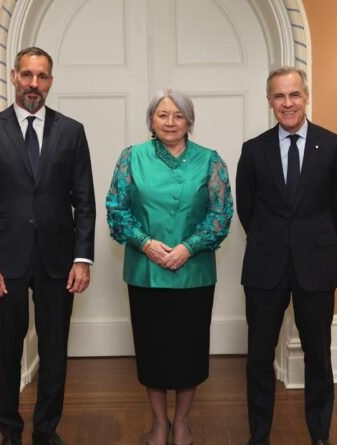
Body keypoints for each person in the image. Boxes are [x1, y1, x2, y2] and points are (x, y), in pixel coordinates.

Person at [0, 47, 96, 445]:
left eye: (41, 76)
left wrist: (82, 257)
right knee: (5, 352)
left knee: (55, 350)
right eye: (27, 75)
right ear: (13, 76)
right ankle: (9, 431)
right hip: (4, 263)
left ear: (51, 81)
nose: (33, 84)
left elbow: (85, 201)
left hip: (59, 261)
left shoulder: (72, 132)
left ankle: (46, 430)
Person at [106, 89, 233, 445]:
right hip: (146, 273)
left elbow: (221, 214)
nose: (170, 122)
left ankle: (182, 421)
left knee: (189, 351)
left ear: (189, 120)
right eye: (163, 115)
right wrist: (145, 243)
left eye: (178, 115)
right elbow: (116, 210)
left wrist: (188, 247)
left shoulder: (211, 161)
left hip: (194, 273)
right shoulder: (131, 158)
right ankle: (159, 422)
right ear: (151, 120)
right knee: (153, 351)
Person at [236, 67, 337, 445]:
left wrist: (315, 238)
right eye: (279, 96)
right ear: (269, 101)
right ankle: (259, 435)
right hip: (264, 266)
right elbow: (246, 208)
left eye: (294, 95)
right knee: (258, 356)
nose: (287, 103)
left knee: (318, 354)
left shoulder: (334, 146)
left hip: (316, 266)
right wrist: (274, 239)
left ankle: (320, 433)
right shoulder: (253, 150)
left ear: (306, 96)